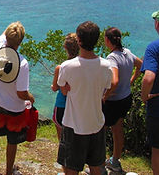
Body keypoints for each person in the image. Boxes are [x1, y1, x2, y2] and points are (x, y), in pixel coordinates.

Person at [57, 21, 112, 175]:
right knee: (96, 166)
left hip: (74, 124)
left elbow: (63, 90)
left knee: (71, 168)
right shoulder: (106, 66)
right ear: (97, 41)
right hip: (96, 123)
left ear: (79, 41)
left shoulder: (67, 66)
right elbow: (106, 88)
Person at [0, 21, 35, 175]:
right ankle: (9, 172)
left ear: (7, 37)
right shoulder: (22, 63)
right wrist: (31, 98)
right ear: (20, 42)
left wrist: (13, 27)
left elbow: (5, 33)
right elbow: (21, 93)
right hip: (15, 108)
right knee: (12, 141)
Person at [102, 27, 142, 172]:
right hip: (126, 98)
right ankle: (115, 161)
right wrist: (131, 80)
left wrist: (105, 95)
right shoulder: (128, 53)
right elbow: (141, 65)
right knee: (118, 129)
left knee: (101, 132)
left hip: (114, 102)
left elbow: (114, 81)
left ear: (107, 40)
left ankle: (99, 165)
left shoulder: (112, 58)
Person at [141, 10, 159, 175]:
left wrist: (144, 96)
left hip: (157, 108)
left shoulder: (154, 48)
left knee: (157, 149)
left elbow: (148, 78)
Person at [51, 33, 79, 141]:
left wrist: (57, 86)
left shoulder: (61, 67)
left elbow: (55, 88)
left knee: (62, 138)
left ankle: (63, 156)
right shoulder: (82, 66)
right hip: (77, 105)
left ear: (65, 48)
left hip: (62, 105)